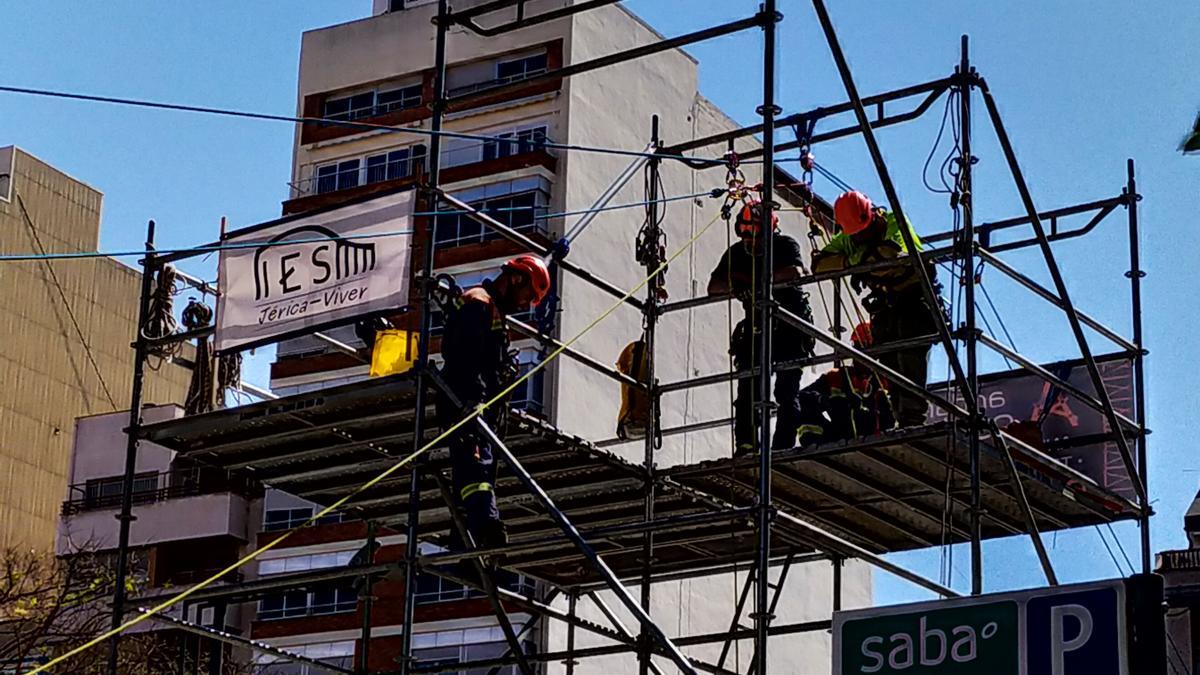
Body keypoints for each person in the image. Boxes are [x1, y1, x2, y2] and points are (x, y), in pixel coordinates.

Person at [358, 254, 551, 549]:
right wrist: (474, 401)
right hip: (466, 400)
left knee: (475, 473)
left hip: (479, 405)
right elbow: (463, 357)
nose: (526, 305)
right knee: (476, 470)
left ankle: (464, 544)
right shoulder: (479, 304)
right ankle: (484, 528)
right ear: (516, 278)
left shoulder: (492, 309)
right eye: (528, 296)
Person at [811, 190, 942, 427]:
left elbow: (891, 257)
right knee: (890, 360)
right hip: (887, 306)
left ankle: (913, 418)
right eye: (856, 236)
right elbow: (819, 266)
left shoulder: (894, 222)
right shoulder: (851, 237)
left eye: (864, 233)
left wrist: (856, 263)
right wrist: (861, 261)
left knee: (909, 357)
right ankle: (901, 417)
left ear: (871, 215)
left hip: (915, 301)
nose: (861, 238)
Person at [708, 199, 815, 453]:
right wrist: (736, 283)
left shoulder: (784, 245)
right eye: (745, 235)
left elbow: (796, 272)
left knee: (786, 392)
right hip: (757, 328)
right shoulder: (736, 253)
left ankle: (782, 448)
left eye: (753, 234)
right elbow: (713, 287)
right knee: (748, 390)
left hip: (790, 326)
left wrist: (756, 282)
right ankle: (746, 445)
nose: (749, 241)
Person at [795, 322, 895, 446]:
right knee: (802, 406)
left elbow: (892, 419)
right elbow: (800, 397)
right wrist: (823, 400)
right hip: (838, 438)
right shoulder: (837, 376)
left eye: (864, 349)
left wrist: (869, 411)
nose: (860, 354)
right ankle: (814, 444)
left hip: (872, 440)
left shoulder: (884, 382)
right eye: (857, 347)